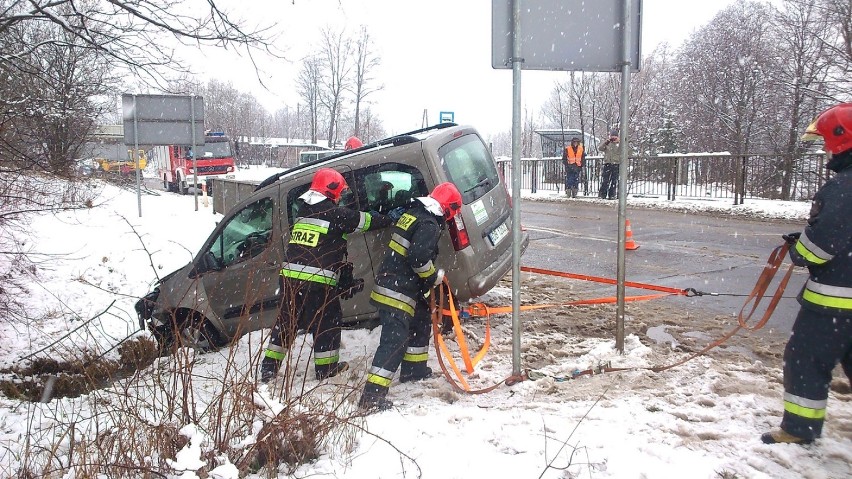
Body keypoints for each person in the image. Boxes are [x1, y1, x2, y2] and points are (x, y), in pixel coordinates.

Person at [761, 103, 852, 445]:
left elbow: (822, 245)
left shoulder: (844, 188)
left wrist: (799, 248)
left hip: (835, 305)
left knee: (805, 361)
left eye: (827, 140)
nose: (826, 149)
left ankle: (799, 430)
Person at [260, 168, 392, 384]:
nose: (340, 196)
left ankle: (268, 368)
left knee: (286, 322)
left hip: (289, 278)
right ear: (331, 191)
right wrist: (387, 218)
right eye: (339, 192)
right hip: (316, 282)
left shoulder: (303, 210)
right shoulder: (335, 214)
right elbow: (365, 222)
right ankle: (326, 369)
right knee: (326, 322)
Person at [358, 182, 463, 411]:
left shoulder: (415, 214)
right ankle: (372, 396)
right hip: (397, 290)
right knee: (394, 341)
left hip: (396, 282)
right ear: (448, 208)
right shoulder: (429, 224)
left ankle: (414, 371)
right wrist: (434, 277)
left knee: (420, 322)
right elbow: (418, 259)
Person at [598, 130, 621, 199]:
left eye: (615, 136)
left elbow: (625, 150)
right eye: (612, 136)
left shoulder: (619, 144)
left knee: (614, 180)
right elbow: (600, 148)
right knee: (605, 180)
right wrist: (606, 142)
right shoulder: (608, 143)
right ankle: (602, 194)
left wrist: (618, 142)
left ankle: (612, 195)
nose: (613, 138)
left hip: (616, 164)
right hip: (607, 163)